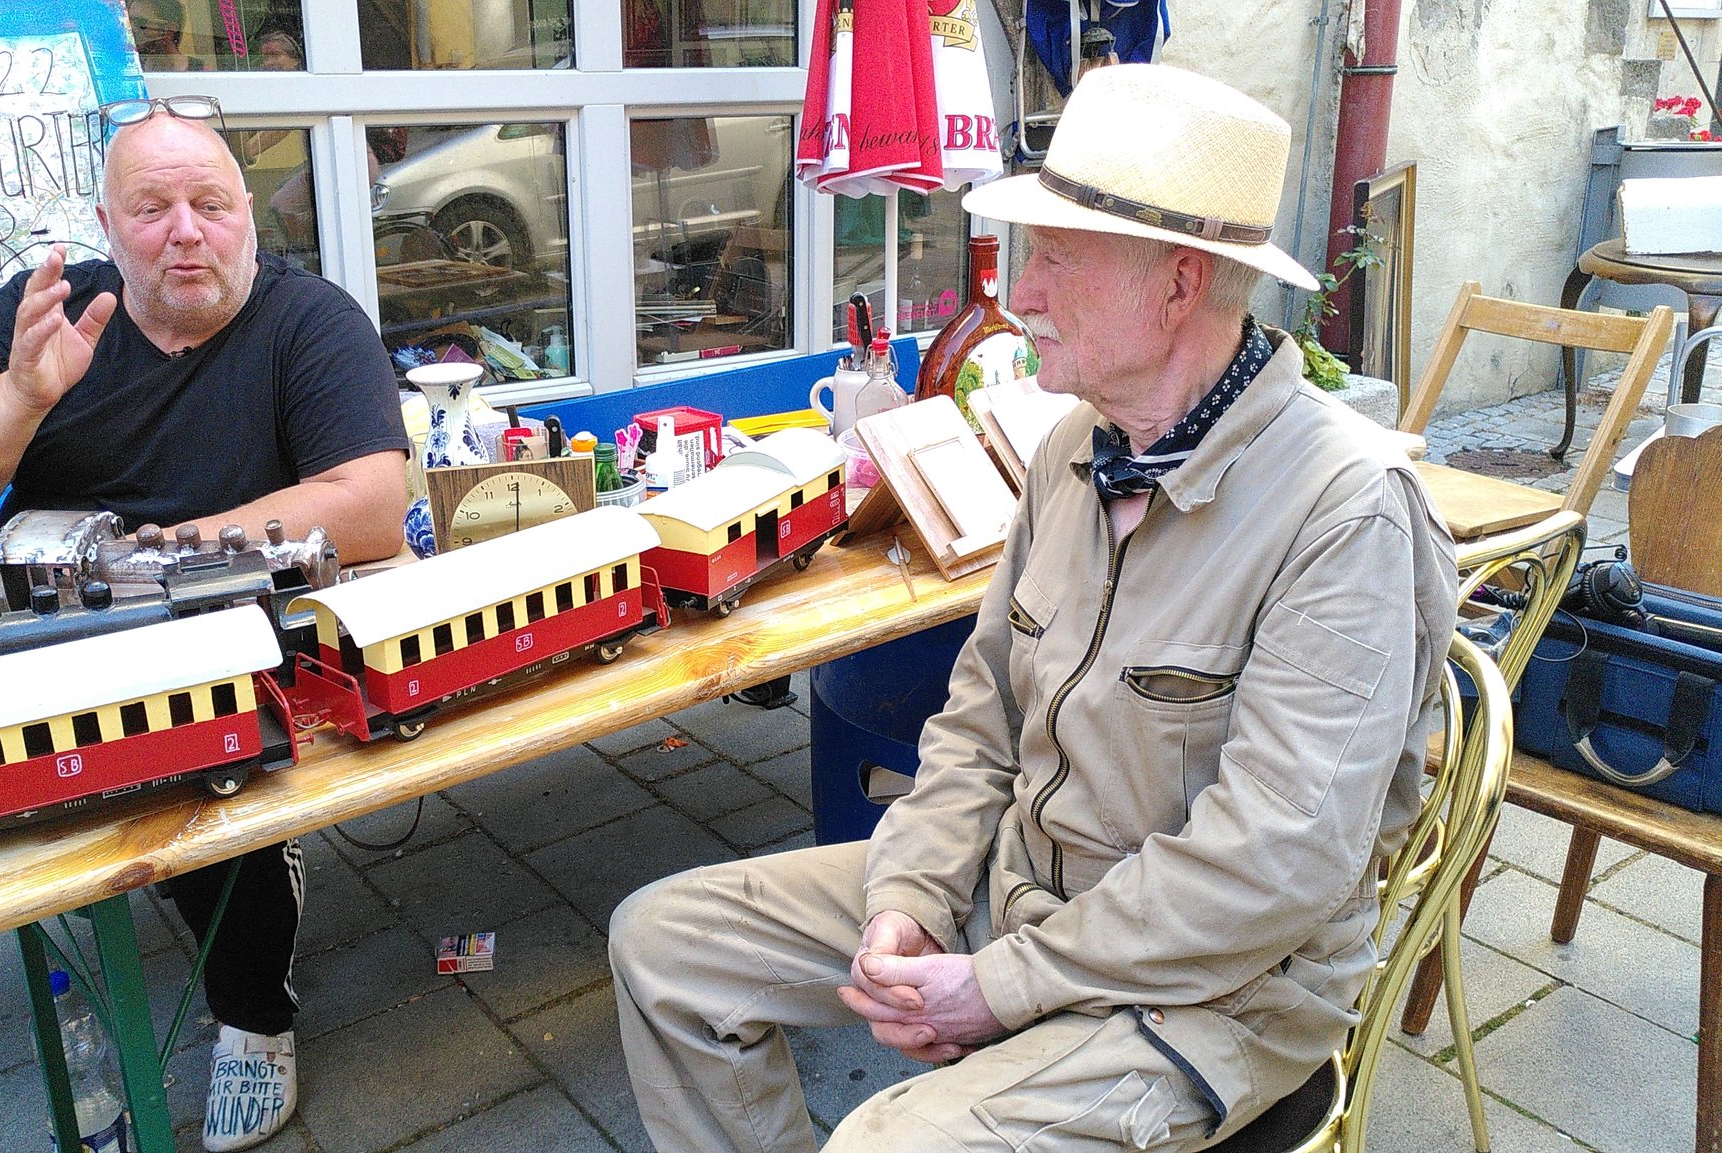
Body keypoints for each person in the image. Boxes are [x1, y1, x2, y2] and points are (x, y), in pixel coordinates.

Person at [609, 63, 1458, 1153]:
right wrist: (907, 899)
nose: (1022, 293)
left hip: (1210, 996)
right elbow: (977, 720)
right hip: (1020, 889)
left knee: (883, 1145)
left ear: (1177, 283)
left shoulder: (1343, 512)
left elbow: (1271, 869)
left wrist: (998, 985)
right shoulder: (1074, 448)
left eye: (1057, 256)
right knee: (665, 945)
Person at [0, 100, 408, 1153]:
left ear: (246, 216)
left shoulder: (307, 319)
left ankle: (254, 1016)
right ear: (107, 223)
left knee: (207, 774)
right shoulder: (54, 312)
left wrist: (148, 556)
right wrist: (16, 396)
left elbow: (368, 500)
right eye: (152, 208)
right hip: (37, 627)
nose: (184, 229)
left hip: (215, 636)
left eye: (209, 203)